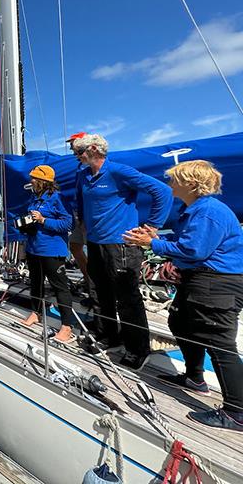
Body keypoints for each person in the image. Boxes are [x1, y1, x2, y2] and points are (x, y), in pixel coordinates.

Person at [123, 160, 243, 432]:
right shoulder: (195, 209)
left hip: (218, 283)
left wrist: (150, 243)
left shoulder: (208, 212)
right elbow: (186, 243)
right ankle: (195, 378)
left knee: (219, 344)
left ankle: (237, 412)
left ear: (190, 183)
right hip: (202, 280)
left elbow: (194, 250)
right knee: (180, 323)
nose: (171, 184)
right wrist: (155, 235)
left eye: (175, 179)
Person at [73, 134, 171, 370]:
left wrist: (152, 226)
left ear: (94, 149)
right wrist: (83, 222)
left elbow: (162, 192)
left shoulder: (119, 172)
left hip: (121, 244)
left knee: (127, 298)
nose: (76, 156)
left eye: (79, 151)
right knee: (98, 292)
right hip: (95, 243)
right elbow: (80, 201)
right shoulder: (83, 176)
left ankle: (138, 349)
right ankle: (109, 336)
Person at [19, 166, 76, 342]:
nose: (31, 182)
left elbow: (68, 224)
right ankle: (36, 313)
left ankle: (67, 326)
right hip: (34, 248)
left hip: (52, 250)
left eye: (33, 179)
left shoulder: (58, 199)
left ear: (42, 181)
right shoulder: (35, 200)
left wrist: (44, 220)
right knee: (36, 283)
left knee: (60, 287)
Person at [65, 132, 97, 309]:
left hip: (89, 217)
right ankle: (88, 279)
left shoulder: (88, 166)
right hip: (79, 214)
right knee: (75, 246)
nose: (71, 148)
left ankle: (95, 291)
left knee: (95, 252)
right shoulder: (80, 166)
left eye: (74, 144)